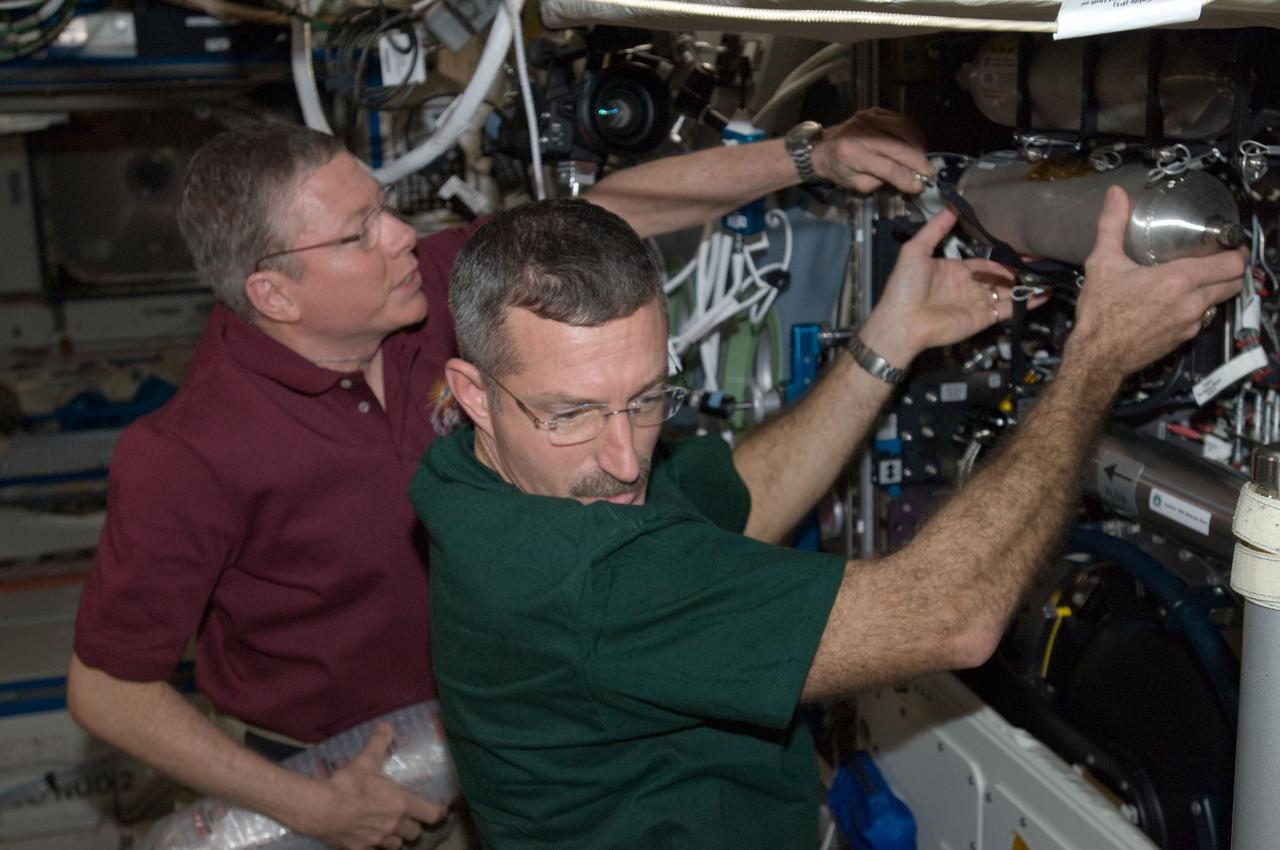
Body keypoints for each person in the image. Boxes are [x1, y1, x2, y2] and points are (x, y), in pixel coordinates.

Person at [66, 111, 932, 850]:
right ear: (275, 294)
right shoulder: (189, 455)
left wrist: (810, 156)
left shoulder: (432, 293)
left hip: (527, 745)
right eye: (357, 234)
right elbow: (106, 689)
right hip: (352, 779)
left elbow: (604, 216)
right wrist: (314, 805)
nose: (402, 236)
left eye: (384, 209)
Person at [409, 194, 1245, 849]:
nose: (625, 458)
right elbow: (949, 617)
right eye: (575, 414)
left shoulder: (485, 474)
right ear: (473, 392)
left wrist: (890, 337)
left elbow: (741, 492)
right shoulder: (572, 577)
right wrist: (1096, 356)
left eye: (645, 399)